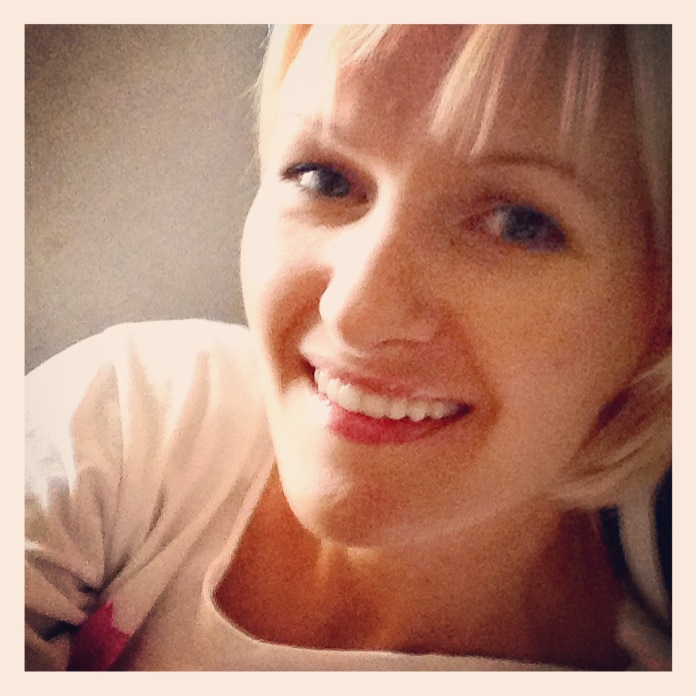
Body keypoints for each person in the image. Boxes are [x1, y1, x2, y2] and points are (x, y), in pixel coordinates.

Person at [25, 24, 672, 671]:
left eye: (517, 224)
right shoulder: (135, 423)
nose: (357, 313)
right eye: (325, 178)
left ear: (663, 314)